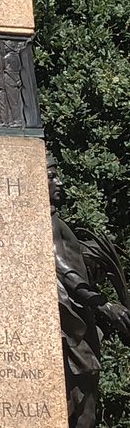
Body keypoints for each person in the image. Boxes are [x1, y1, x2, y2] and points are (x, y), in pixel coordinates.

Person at [48, 154, 130, 428]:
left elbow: (69, 261)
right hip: (72, 323)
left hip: (79, 318)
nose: (59, 182)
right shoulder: (46, 221)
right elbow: (62, 268)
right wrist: (103, 304)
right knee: (83, 404)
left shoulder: (55, 220)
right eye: (51, 177)